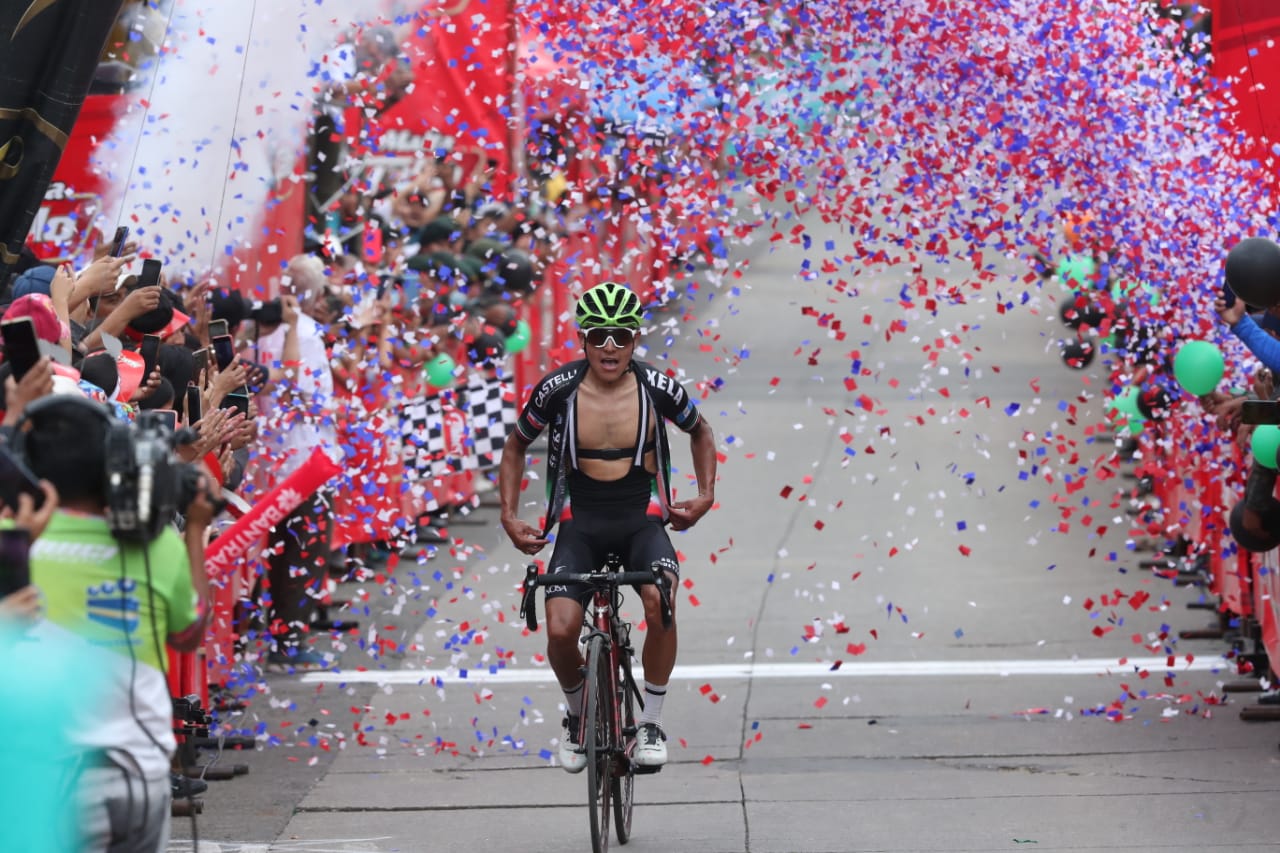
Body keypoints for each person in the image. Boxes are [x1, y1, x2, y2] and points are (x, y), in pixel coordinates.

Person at [498, 281, 717, 771]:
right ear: (584, 340)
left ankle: (652, 722)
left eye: (621, 336)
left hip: (642, 518)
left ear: (636, 339)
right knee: (559, 631)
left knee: (661, 603)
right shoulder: (558, 389)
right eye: (599, 336)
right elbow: (515, 446)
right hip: (581, 521)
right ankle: (578, 716)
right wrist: (509, 517)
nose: (610, 347)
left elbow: (700, 431)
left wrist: (704, 496)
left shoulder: (657, 388)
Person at [15, 394, 217, 852]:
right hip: (137, 778)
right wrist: (194, 531)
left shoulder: (14, 542)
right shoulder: (155, 545)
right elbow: (189, 634)